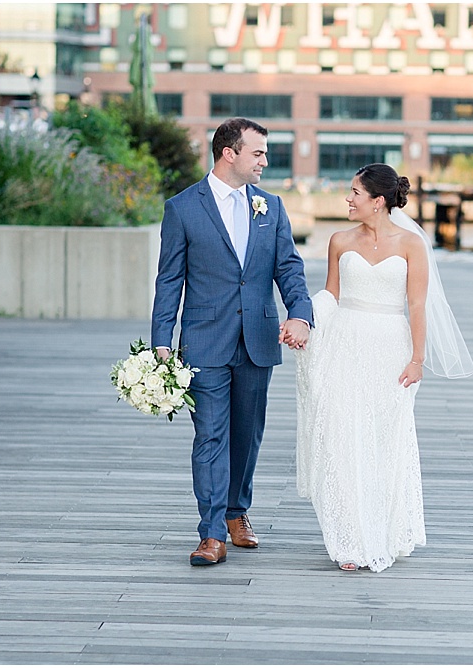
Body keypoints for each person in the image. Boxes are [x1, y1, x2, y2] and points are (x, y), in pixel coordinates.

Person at [295, 164, 473, 573]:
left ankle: (382, 530)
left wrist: (417, 359)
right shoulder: (339, 241)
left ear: (377, 201)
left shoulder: (412, 245)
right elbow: (331, 295)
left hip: (391, 348)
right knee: (342, 435)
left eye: (354, 193)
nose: (348, 199)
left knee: (383, 438)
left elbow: (416, 304)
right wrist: (305, 320)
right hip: (345, 342)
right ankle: (350, 538)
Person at [151, 118, 313, 566]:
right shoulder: (183, 208)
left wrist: (300, 312)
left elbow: (289, 269)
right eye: (258, 152)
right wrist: (161, 342)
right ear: (230, 153)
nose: (265, 160)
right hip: (204, 340)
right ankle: (211, 531)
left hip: (258, 339)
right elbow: (168, 282)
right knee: (210, 435)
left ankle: (237, 511)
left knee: (248, 435)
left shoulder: (272, 207)